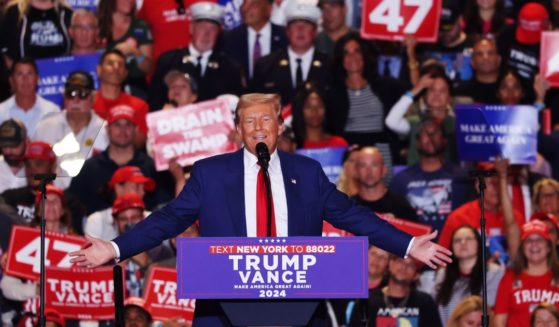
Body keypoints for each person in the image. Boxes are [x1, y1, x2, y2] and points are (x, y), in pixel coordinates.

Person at [69, 93, 452, 325]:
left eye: (265, 118)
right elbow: (169, 218)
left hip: (299, 306)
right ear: (237, 130)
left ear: (280, 126)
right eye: (248, 120)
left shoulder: (308, 172)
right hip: (224, 307)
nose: (257, 126)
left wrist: (407, 245)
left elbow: (353, 215)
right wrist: (115, 248)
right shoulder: (210, 173)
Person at [67, 105, 165, 215]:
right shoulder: (90, 168)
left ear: (136, 129)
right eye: (117, 125)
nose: (123, 130)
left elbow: (164, 206)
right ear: (107, 129)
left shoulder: (152, 166)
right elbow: (72, 204)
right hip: (98, 231)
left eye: (128, 125)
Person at [148, 2, 245, 110]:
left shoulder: (230, 68)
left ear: (218, 32)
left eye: (212, 29)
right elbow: (154, 101)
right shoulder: (168, 61)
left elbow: (239, 107)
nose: (206, 34)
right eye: (202, 27)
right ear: (191, 28)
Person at [389, 119, 473, 237]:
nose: (430, 136)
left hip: (455, 249)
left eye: (435, 133)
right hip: (415, 251)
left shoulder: (463, 178)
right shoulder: (400, 181)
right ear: (417, 142)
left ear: (444, 140)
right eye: (425, 133)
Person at [32, 71, 108, 180]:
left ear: (93, 98)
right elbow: (33, 167)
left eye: (82, 95)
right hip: (52, 193)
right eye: (70, 94)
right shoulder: (45, 127)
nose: (75, 100)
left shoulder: (105, 130)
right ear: (64, 97)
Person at [251, 1, 330, 105]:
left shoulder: (329, 66)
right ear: (287, 31)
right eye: (294, 24)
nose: (300, 30)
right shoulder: (265, 66)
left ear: (315, 32)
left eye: (306, 24)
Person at [385, 66, 457, 165]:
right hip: (415, 178)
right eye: (432, 90)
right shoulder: (416, 122)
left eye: (442, 91)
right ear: (425, 96)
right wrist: (416, 89)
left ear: (449, 98)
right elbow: (391, 122)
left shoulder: (457, 124)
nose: (437, 94)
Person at [433, 225, 504, 325]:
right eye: (457, 240)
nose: (463, 243)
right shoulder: (443, 274)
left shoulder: (494, 272)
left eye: (468, 239)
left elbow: (490, 309)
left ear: (479, 243)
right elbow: (435, 310)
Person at [494, 220, 559, 327]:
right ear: (522, 248)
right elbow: (499, 321)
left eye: (539, 239)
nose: (534, 244)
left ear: (548, 247)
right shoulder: (509, 278)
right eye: (528, 240)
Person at [348, 255, 443, 327]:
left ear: (416, 275)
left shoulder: (425, 302)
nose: (404, 267)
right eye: (400, 261)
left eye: (410, 265)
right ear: (390, 264)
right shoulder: (367, 300)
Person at [97, 0, 154, 99]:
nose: (130, 1)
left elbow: (148, 67)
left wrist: (135, 52)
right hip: (104, 91)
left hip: (136, 91)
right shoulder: (97, 26)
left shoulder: (140, 27)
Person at [93, 49, 149, 148]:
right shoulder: (86, 104)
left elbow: (139, 142)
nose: (116, 68)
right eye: (110, 63)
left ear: (125, 73)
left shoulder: (139, 105)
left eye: (120, 65)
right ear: (99, 70)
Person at [220, 0, 287, 80]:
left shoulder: (286, 37)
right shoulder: (228, 39)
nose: (245, 9)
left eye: (254, 4)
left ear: (269, 9)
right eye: (244, 3)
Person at [85, 165, 155, 241]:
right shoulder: (97, 221)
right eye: (137, 186)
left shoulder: (152, 218)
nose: (142, 192)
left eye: (143, 188)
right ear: (118, 188)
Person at [352, 146, 418, 222]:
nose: (369, 171)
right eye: (363, 165)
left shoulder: (401, 206)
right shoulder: (347, 207)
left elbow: (415, 232)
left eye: (374, 165)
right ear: (356, 171)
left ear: (384, 170)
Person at [0, 58, 59, 136]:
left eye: (30, 74)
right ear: (11, 81)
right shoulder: (1, 112)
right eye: (19, 74)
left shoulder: (52, 111)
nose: (25, 79)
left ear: (37, 79)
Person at [0, 141, 57, 223]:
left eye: (39, 164)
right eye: (28, 164)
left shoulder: (67, 203)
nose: (32, 170)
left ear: (52, 167)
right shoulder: (8, 198)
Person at [0, 0, 72, 64]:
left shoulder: (67, 13)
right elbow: (4, 48)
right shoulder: (13, 12)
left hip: (60, 75)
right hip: (24, 76)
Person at [455, 37, 502, 104]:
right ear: (472, 62)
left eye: (490, 53)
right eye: (479, 54)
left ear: (499, 59)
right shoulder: (461, 94)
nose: (485, 58)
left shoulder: (511, 92)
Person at [0, 119, 28, 193]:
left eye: (14, 146)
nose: (8, 151)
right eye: (4, 146)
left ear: (26, 142)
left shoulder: (36, 170)